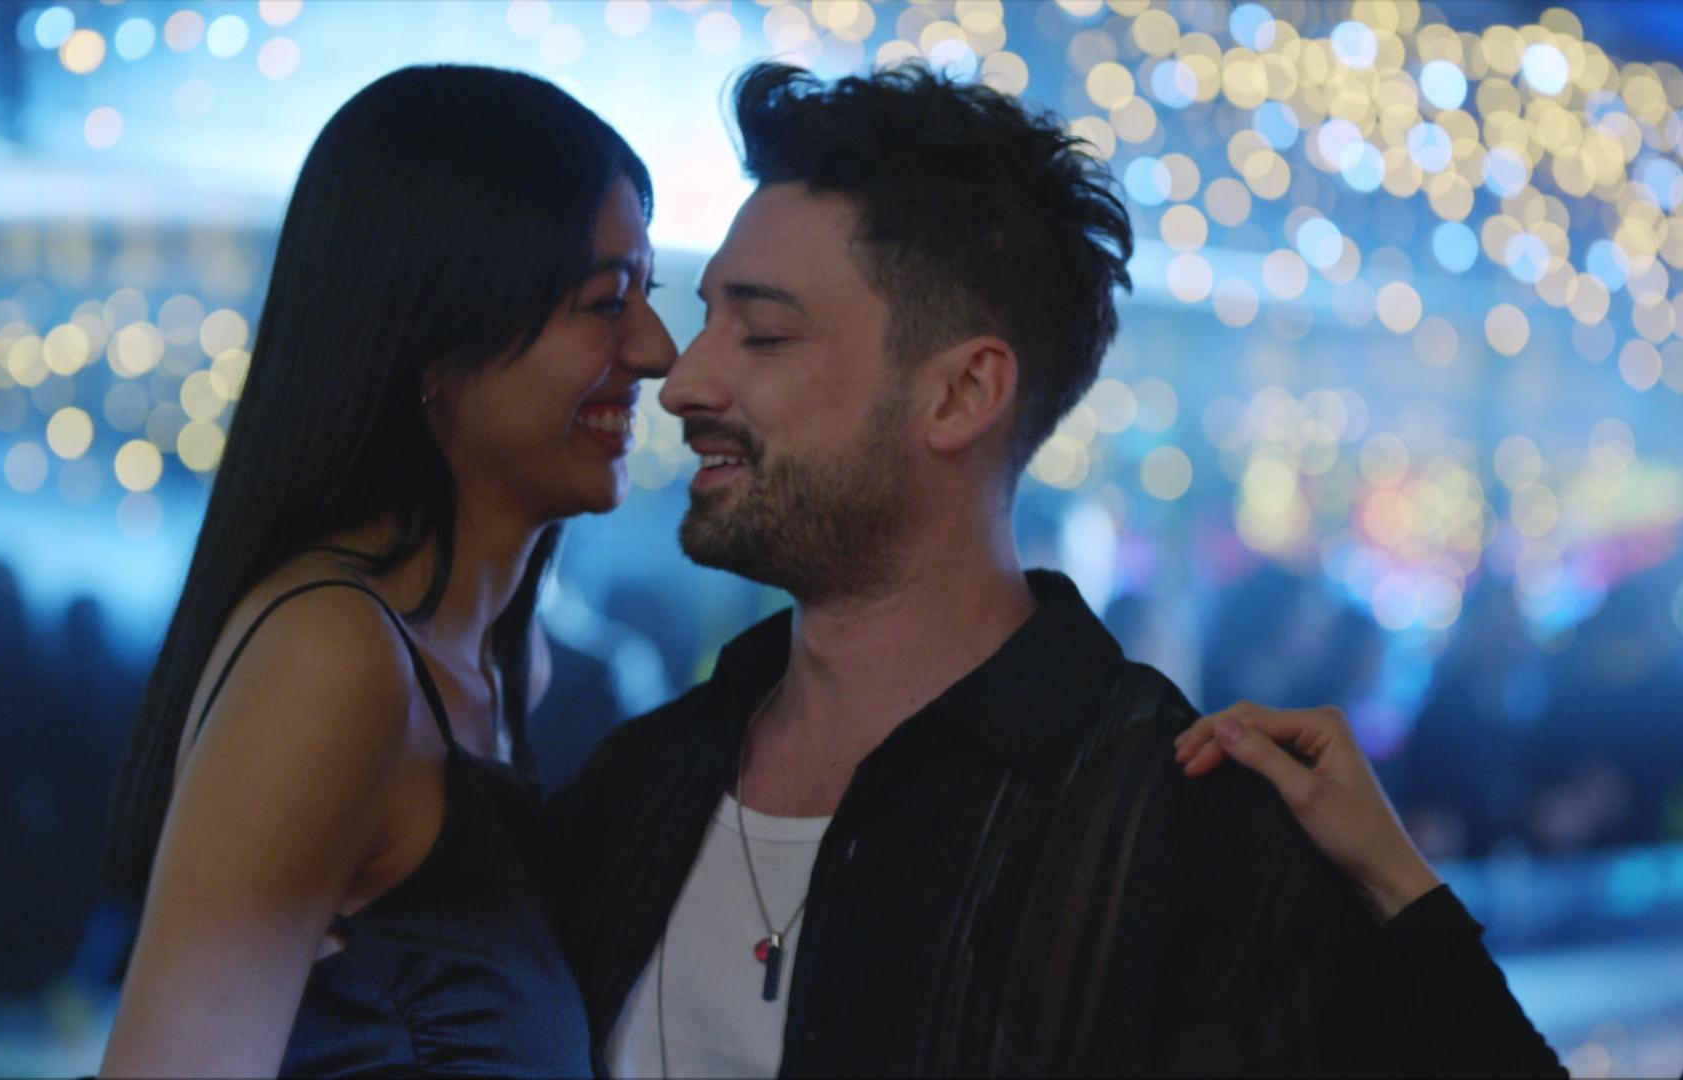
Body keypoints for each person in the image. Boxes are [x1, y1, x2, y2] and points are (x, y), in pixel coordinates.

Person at [544, 62, 1563, 1077]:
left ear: (962, 395)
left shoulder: (1185, 840)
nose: (684, 381)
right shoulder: (638, 781)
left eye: (763, 334)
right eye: (708, 319)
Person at [98, 65, 673, 1076]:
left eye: (647, 299)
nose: (659, 351)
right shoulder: (337, 657)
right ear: (435, 346)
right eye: (606, 302)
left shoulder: (505, 665)